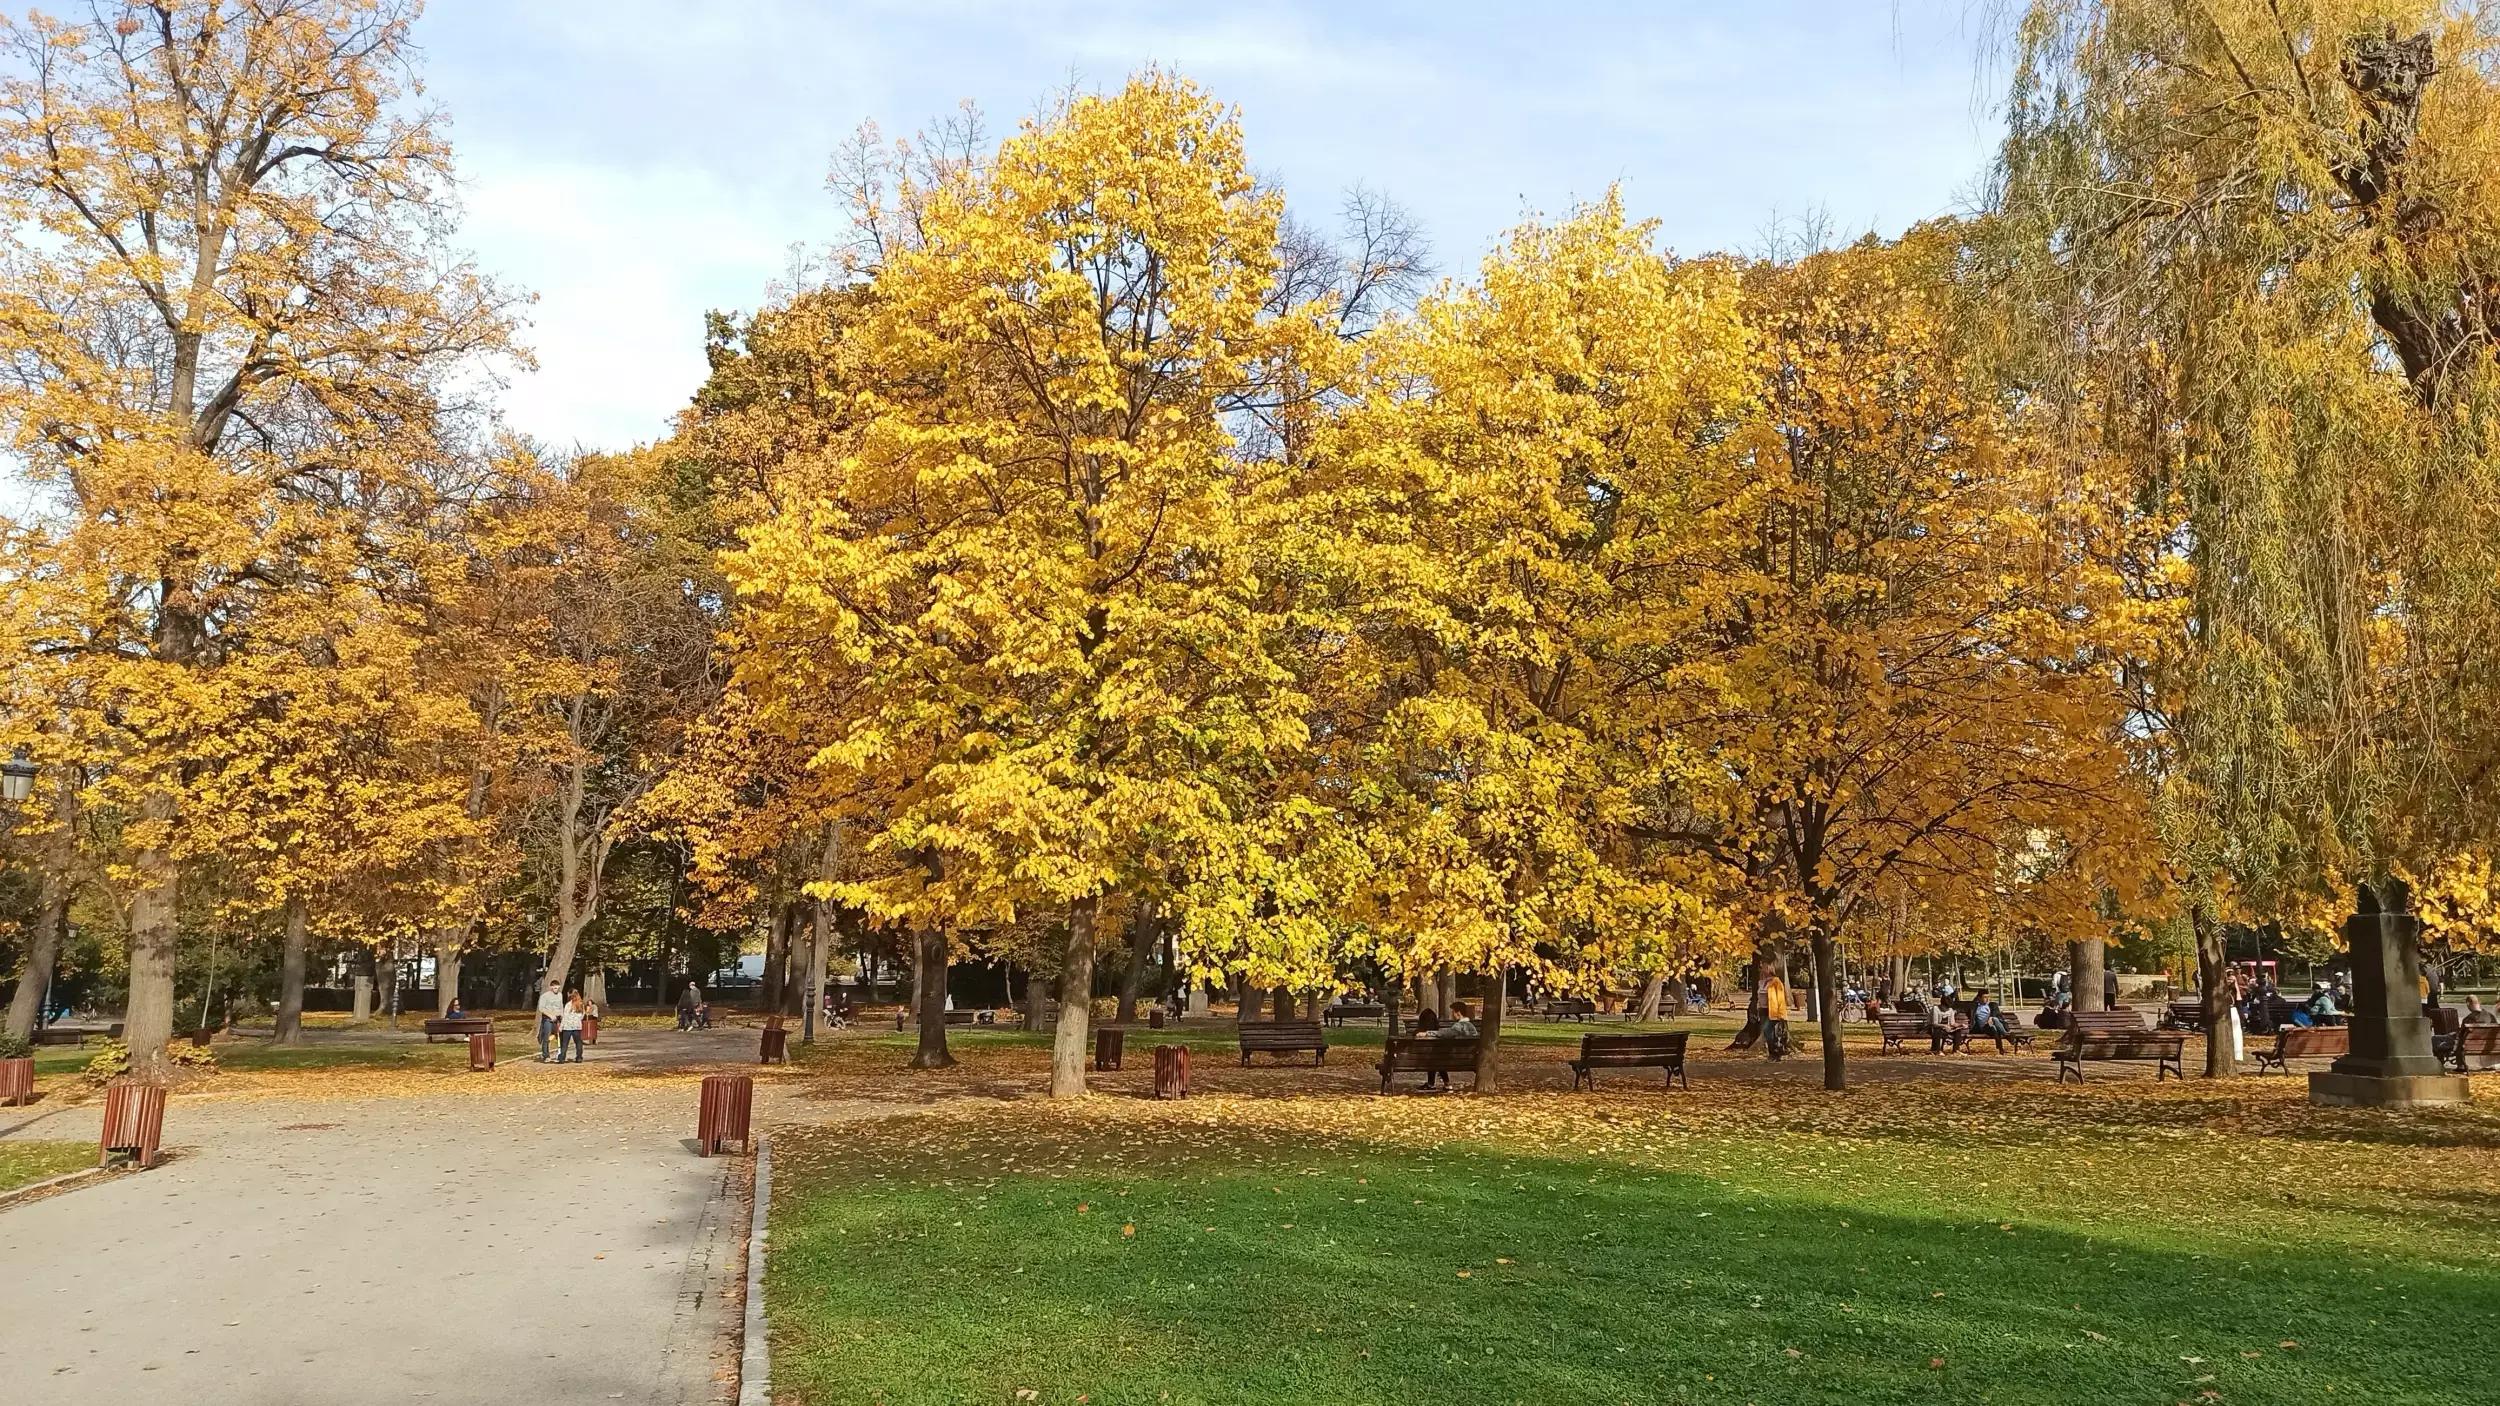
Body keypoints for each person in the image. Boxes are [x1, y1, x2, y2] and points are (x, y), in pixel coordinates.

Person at [1970, 989, 2014, 1053]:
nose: (1987, 999)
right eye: (1985, 997)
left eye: (1988, 997)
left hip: (1994, 1025)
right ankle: (2006, 1035)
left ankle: (2001, 1049)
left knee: (1994, 1025)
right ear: (1979, 998)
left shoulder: (1993, 1005)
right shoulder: (1974, 1007)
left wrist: (1991, 1018)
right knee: (1994, 1025)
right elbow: (1963, 1007)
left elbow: (1997, 1015)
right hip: (1984, 1028)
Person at [1761, 970, 1791, 1060]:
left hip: (1773, 1012)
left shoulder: (1776, 982)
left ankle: (1776, 1051)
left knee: (1768, 1030)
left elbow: (1781, 999)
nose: (1762, 970)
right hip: (1762, 1010)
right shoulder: (1761, 982)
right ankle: (1772, 1053)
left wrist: (1781, 1015)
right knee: (1768, 1033)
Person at [535, 981, 565, 1062]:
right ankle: (546, 1055)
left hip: (557, 1019)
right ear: (551, 987)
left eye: (558, 988)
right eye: (555, 988)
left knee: (559, 1036)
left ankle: (560, 1054)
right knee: (546, 1037)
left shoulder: (560, 995)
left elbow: (561, 1006)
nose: (556, 989)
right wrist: (550, 1015)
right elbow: (541, 1008)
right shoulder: (545, 996)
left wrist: (562, 1015)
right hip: (548, 1019)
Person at [557, 987, 588, 1063]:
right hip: (577, 1026)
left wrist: (561, 1026)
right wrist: (578, 1020)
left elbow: (565, 1016)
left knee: (565, 1043)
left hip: (568, 1026)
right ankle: (579, 1057)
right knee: (578, 1042)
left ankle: (562, 1057)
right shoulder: (581, 1004)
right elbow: (583, 1015)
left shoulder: (568, 1004)